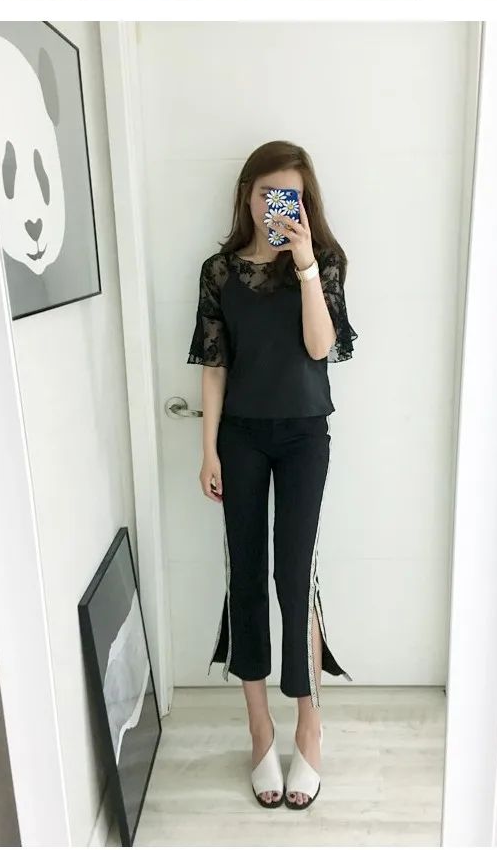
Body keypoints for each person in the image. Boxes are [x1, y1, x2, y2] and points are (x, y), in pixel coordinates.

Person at [187, 141, 357, 809]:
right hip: (241, 439)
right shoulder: (219, 271)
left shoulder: (325, 262)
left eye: (290, 196)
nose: (275, 205)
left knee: (296, 576)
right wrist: (209, 450)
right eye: (266, 193)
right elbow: (214, 365)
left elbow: (322, 346)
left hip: (304, 436)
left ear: (305, 202)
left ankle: (309, 725)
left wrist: (307, 264)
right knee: (247, 578)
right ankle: (260, 728)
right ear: (247, 195)